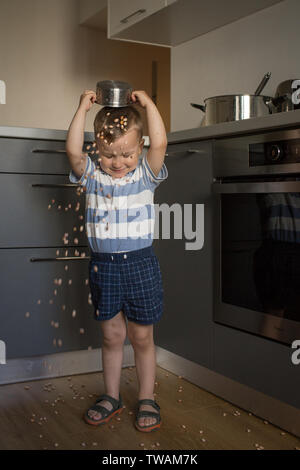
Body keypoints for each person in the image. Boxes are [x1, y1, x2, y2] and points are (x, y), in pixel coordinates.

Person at [65, 88, 168, 432]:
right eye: (109, 154)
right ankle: (111, 395)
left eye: (126, 153)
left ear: (139, 149)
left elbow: (161, 145)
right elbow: (73, 151)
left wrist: (149, 105)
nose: (118, 161)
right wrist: (82, 107)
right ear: (99, 150)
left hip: (140, 265)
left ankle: (147, 397)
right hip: (104, 268)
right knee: (111, 337)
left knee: (141, 338)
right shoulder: (93, 178)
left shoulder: (145, 176)